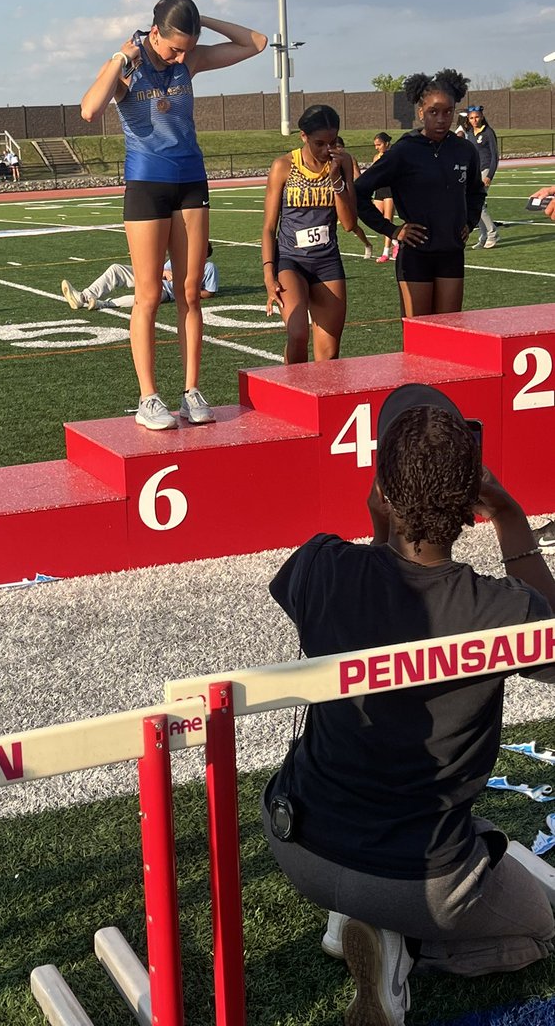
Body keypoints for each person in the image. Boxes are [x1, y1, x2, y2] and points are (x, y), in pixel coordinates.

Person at [262, 382, 555, 1026]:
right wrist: (510, 520)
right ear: (470, 499)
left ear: (382, 493)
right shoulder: (501, 611)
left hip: (301, 843)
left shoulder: (320, 567)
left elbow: (366, 589)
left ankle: (367, 925)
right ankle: (405, 944)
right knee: (539, 929)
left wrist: (379, 528)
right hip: (422, 881)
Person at [80, 0, 267, 430]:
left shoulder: (189, 59)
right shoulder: (129, 65)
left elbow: (255, 42)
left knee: (188, 290)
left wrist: (201, 25)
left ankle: (190, 391)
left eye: (188, 47)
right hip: (147, 184)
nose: (181, 57)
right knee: (148, 294)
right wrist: (118, 58)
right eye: (173, 48)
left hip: (191, 182)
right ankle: (148, 398)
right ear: (154, 33)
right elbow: (90, 109)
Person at [354, 69, 485, 319]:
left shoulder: (464, 150)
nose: (441, 119)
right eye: (433, 112)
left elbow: (476, 192)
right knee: (419, 335)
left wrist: (469, 221)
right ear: (421, 112)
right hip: (416, 255)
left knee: (449, 331)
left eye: (447, 112)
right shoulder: (404, 151)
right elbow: (359, 192)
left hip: (451, 252)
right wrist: (391, 230)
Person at [261, 104, 359, 365]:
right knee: (298, 332)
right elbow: (269, 226)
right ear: (303, 136)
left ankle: (321, 401)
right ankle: (293, 396)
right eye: (319, 143)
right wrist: (269, 274)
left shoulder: (344, 162)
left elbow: (349, 223)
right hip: (291, 261)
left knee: (329, 355)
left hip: (327, 261)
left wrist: (336, 178)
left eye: (333, 142)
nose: (327, 150)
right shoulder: (283, 166)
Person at [62, 243, 218, 311]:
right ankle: (83, 296)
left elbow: (209, 293)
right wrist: (165, 273)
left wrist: (186, 291)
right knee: (116, 269)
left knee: (144, 297)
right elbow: (162, 270)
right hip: (155, 278)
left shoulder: (208, 268)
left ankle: (101, 304)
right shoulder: (180, 258)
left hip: (168, 293)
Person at [465, 105, 500, 249]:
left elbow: (495, 156)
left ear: (482, 117)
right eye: (472, 118)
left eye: (477, 117)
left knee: (478, 203)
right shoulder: (470, 133)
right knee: (473, 204)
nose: (475, 120)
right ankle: (484, 235)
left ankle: (493, 234)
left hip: (485, 170)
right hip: (474, 172)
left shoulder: (488, 132)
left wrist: (489, 176)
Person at [336, 138, 373, 259]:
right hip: (334, 194)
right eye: (335, 146)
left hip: (347, 193)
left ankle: (367, 244)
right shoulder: (329, 160)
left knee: (352, 226)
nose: (338, 149)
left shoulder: (349, 159)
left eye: (339, 146)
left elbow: (357, 177)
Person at [368, 133, 399, 264]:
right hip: (379, 190)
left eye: (379, 144)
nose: (377, 147)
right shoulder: (376, 157)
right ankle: (397, 241)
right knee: (375, 217)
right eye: (375, 145)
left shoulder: (393, 155)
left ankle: (386, 252)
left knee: (387, 220)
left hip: (390, 190)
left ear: (386, 143)